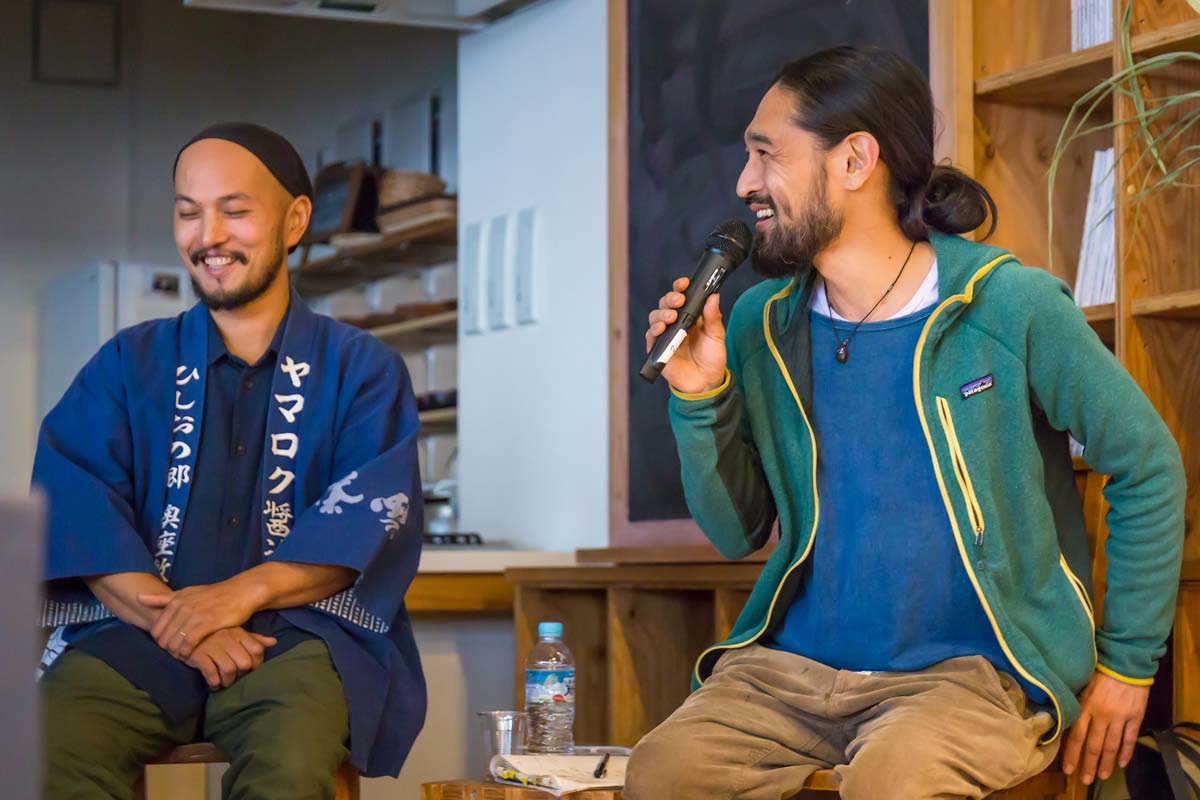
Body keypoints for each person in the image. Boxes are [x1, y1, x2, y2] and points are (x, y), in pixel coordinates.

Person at [626, 46, 1185, 800]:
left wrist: (1127, 668)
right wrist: (700, 398)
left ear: (855, 160)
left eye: (766, 154)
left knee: (893, 781)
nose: (743, 183)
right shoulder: (762, 324)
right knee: (662, 771)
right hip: (793, 676)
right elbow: (737, 532)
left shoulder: (1007, 306)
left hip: (975, 680)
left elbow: (1147, 465)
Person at [34, 122, 426, 800]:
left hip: (296, 639)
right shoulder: (128, 364)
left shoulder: (362, 369)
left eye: (235, 211)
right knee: (45, 751)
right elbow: (76, 510)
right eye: (189, 213)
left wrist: (238, 597)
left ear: (294, 220)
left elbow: (367, 522)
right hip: (140, 631)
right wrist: (185, 628)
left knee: (291, 768)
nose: (208, 236)